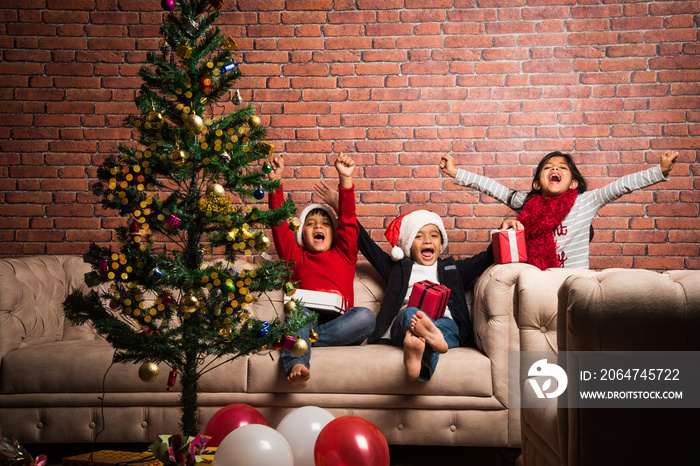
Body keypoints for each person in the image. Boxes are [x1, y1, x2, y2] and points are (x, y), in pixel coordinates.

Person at [315, 182, 519, 381]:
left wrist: (503, 231)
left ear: (441, 245)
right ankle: (428, 336)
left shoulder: (451, 269)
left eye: (434, 236)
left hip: (444, 324)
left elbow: (484, 259)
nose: (427, 240)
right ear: (408, 245)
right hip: (406, 322)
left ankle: (419, 356)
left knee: (446, 326)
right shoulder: (398, 268)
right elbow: (366, 244)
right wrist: (340, 207)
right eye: (419, 236)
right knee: (413, 314)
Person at [440, 150, 680, 269]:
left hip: (573, 281)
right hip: (537, 277)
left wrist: (659, 171)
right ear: (537, 183)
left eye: (562, 168)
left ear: (573, 183)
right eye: (548, 167)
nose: (555, 168)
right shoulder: (526, 202)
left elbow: (621, 186)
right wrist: (455, 173)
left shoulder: (586, 202)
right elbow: (493, 188)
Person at [267, 153, 375, 389]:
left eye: (325, 224)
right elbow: (278, 225)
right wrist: (275, 183)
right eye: (311, 224)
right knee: (299, 311)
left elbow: (347, 219)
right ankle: (296, 363)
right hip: (305, 314)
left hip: (339, 321)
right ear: (301, 236)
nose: (318, 226)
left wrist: (345, 180)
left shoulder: (344, 253)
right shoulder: (295, 256)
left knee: (366, 318)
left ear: (335, 234)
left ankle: (297, 339)